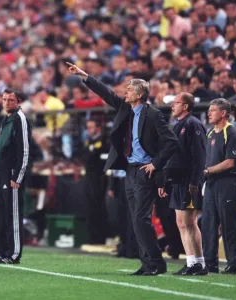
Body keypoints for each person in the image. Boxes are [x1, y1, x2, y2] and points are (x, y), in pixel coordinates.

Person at [67, 62, 178, 276]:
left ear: (138, 94)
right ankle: (149, 263)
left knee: (140, 218)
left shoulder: (153, 115)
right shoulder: (126, 109)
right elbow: (106, 94)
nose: (124, 92)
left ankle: (155, 262)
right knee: (136, 219)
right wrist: (84, 76)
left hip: (146, 172)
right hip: (129, 170)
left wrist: (155, 164)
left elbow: (171, 141)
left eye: (128, 89)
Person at [158, 93, 208, 276]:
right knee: (181, 222)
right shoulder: (177, 125)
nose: (172, 106)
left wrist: (195, 180)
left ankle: (200, 263)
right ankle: (190, 261)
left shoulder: (193, 124)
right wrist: (166, 181)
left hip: (189, 181)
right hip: (178, 180)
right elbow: (172, 157)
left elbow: (200, 155)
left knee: (189, 222)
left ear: (185, 106)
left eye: (176, 103)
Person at [0, 88, 31, 264]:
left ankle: (13, 254)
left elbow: (24, 150)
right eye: (5, 99)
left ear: (18, 101)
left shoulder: (20, 119)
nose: (7, 103)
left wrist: (18, 177)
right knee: (0, 213)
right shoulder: (6, 119)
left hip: (11, 174)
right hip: (0, 173)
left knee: (12, 214)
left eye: (11, 100)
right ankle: (2, 251)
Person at [202, 98, 236, 275]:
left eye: (213, 110)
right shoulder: (210, 133)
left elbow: (230, 162)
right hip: (211, 183)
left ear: (223, 113)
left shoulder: (231, 132)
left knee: (228, 223)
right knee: (208, 223)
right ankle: (210, 263)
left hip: (227, 182)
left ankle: (233, 263)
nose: (209, 113)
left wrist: (207, 171)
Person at [81, 119, 108, 244]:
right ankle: (91, 236)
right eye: (88, 127)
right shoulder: (88, 142)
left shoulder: (103, 141)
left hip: (99, 178)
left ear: (98, 128)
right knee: (89, 207)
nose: (89, 130)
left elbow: (101, 159)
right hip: (89, 178)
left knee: (99, 207)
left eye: (91, 127)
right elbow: (85, 157)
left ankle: (100, 237)